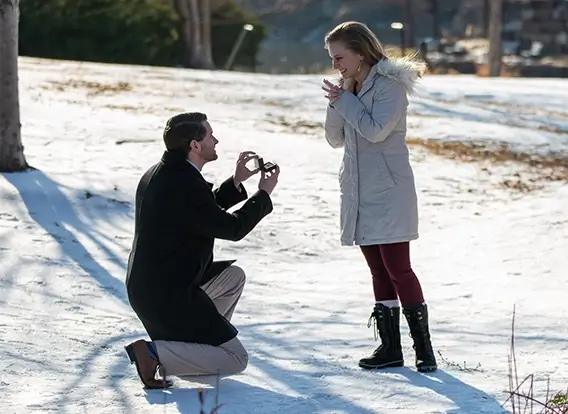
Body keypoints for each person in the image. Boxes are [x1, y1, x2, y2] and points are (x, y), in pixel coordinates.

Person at [124, 112, 279, 388]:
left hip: (156, 286)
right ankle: (154, 354)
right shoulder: (183, 184)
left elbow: (201, 212)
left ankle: (192, 350)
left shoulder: (169, 172)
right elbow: (232, 228)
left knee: (233, 278)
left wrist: (236, 181)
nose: (216, 140)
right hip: (167, 296)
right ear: (195, 145)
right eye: (210, 135)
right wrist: (263, 194)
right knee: (236, 359)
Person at [321, 21, 437, 373]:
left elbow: (375, 131)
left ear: (360, 53)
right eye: (332, 58)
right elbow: (334, 139)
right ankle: (390, 348)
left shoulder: (390, 86)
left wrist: (345, 101)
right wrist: (338, 100)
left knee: (399, 269)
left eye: (339, 57)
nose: (335, 65)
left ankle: (424, 350)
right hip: (359, 190)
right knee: (378, 270)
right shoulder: (349, 88)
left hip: (389, 191)